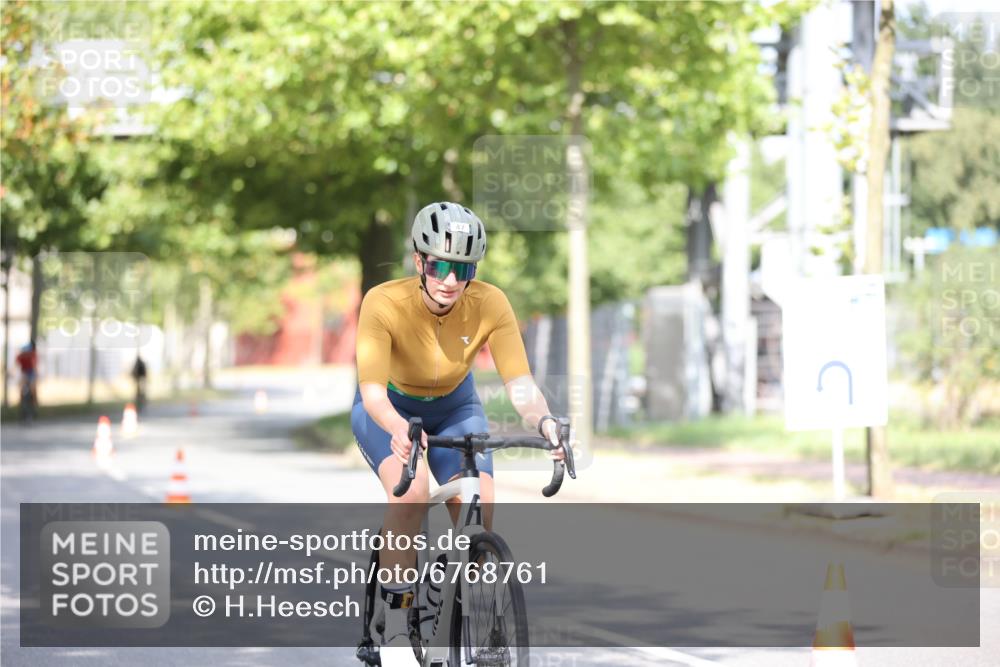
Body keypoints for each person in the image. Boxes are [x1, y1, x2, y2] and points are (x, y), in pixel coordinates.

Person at [352, 202, 566, 666]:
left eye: (463, 268)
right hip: (389, 407)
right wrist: (396, 428)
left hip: (455, 406)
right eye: (439, 265)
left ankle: (455, 607)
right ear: (419, 261)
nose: (450, 279)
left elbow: (520, 384)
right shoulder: (383, 302)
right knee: (411, 497)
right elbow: (371, 392)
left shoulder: (490, 302)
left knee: (479, 504)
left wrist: (545, 421)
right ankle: (392, 628)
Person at [15, 341, 38, 418]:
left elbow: (34, 366)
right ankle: (21, 400)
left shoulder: (32, 355)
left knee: (32, 387)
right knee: (21, 386)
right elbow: (16, 365)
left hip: (31, 373)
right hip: (24, 372)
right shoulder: (20, 356)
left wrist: (35, 375)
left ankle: (34, 402)